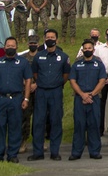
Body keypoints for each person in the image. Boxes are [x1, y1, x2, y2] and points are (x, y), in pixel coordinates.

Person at [0, 37, 33, 163]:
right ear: (4, 47)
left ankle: (12, 154)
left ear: (16, 47)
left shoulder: (23, 62)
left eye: (13, 45)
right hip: (1, 99)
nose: (10, 47)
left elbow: (28, 80)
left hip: (16, 99)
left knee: (15, 127)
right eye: (8, 45)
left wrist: (26, 98)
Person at [27, 29, 70, 161]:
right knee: (38, 122)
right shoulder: (38, 56)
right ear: (44, 40)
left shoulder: (63, 57)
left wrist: (56, 83)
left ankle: (55, 152)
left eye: (52, 37)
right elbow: (35, 74)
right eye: (47, 37)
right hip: (41, 92)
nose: (50, 39)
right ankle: (38, 152)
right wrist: (43, 82)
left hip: (56, 92)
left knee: (55, 121)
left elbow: (65, 76)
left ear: (56, 40)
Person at [68, 39, 106, 160]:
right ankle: (76, 152)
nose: (88, 50)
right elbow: (72, 80)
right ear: (82, 50)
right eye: (85, 48)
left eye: (90, 48)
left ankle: (94, 151)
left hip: (94, 99)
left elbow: (102, 80)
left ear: (93, 50)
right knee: (79, 125)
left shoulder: (98, 63)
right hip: (80, 99)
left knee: (94, 125)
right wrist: (82, 95)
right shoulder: (77, 63)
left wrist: (91, 94)